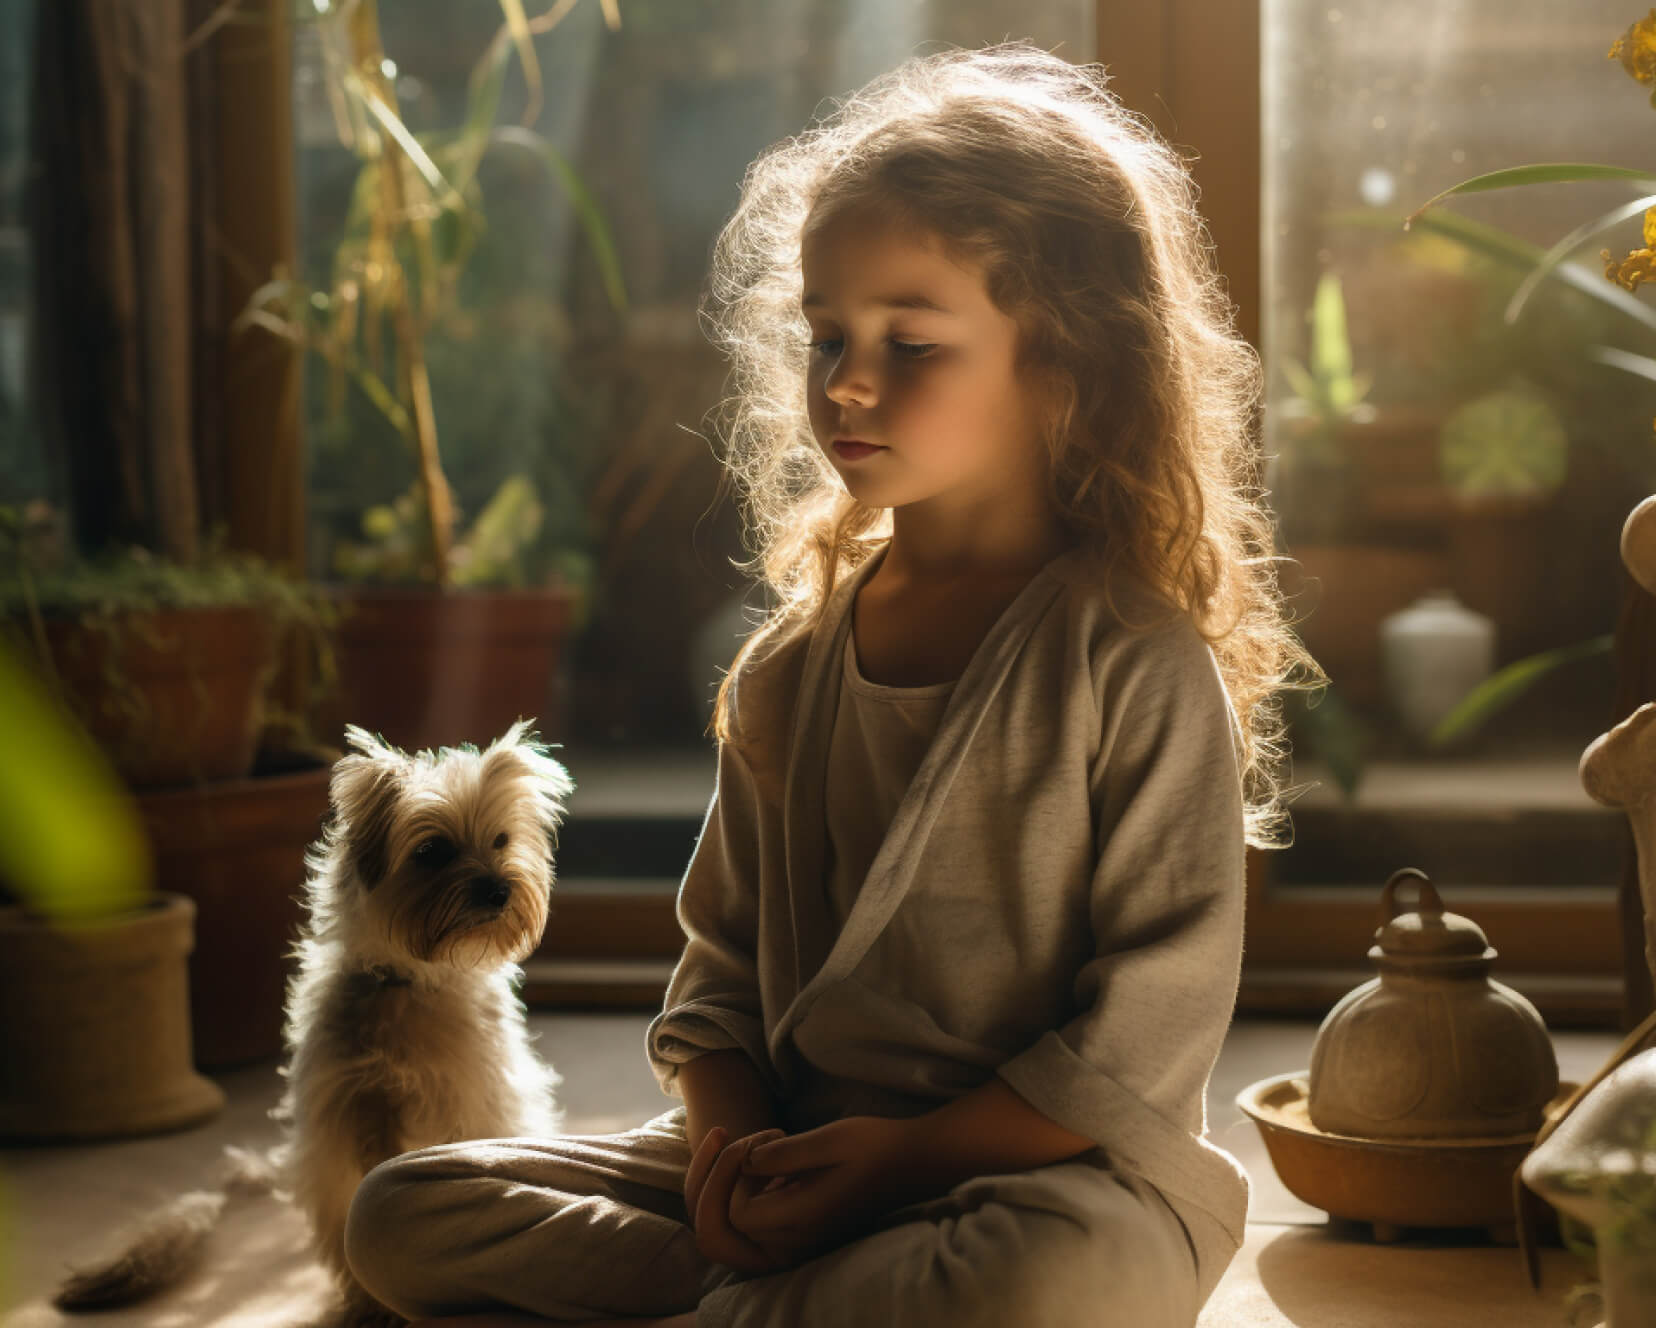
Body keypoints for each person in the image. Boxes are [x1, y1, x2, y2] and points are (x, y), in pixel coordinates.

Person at [343, 38, 1321, 1328]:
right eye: (824, 337)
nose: (848, 381)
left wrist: (906, 1158)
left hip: (1046, 1184)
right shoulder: (793, 668)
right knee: (399, 1214)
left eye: (912, 343)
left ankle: (748, 1304)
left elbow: (1145, 1034)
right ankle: (777, 1296)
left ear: (1065, 365)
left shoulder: (1134, 661)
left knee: (1047, 1281)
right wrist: (731, 1155)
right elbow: (720, 977)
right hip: (803, 1149)